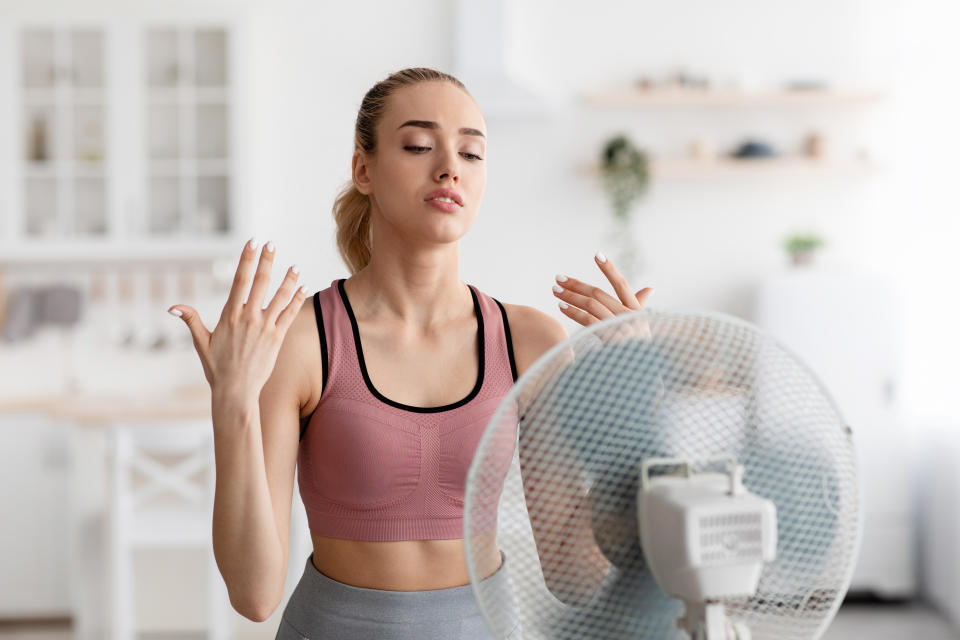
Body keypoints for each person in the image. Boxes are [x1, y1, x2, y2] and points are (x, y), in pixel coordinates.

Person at [167, 67, 653, 639]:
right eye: (419, 145)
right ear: (363, 169)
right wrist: (232, 404)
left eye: (471, 154)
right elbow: (253, 595)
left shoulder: (528, 342)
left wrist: (632, 401)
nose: (449, 166)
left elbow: (576, 579)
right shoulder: (303, 341)